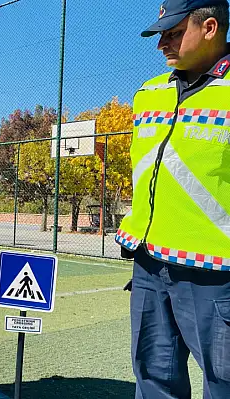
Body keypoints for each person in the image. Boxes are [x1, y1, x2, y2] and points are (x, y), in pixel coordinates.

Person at [117, 1, 230, 397]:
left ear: (211, 27)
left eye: (174, 32)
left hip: (215, 273)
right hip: (149, 264)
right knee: (152, 379)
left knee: (224, 384)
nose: (162, 43)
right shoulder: (149, 93)